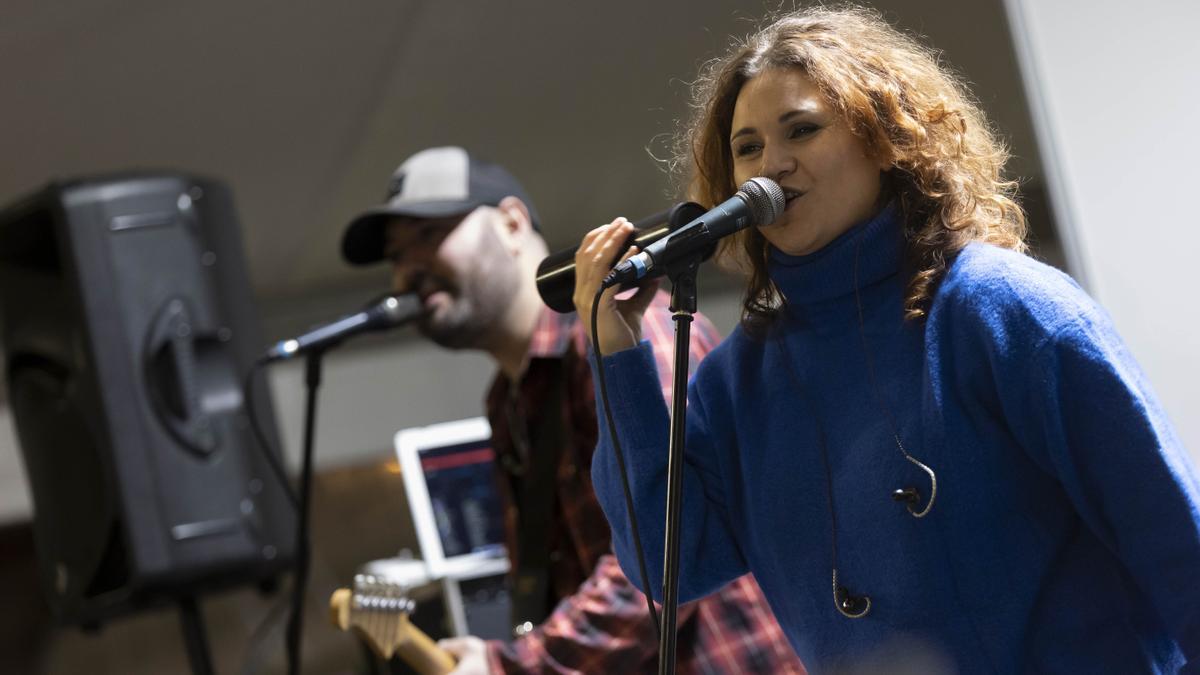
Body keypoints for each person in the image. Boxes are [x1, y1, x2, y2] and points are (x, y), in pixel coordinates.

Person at [573, 6, 1200, 674]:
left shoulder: (1004, 309)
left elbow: (1176, 547)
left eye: (802, 130)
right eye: (748, 147)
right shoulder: (737, 382)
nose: (769, 168)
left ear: (882, 138)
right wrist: (617, 353)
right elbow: (671, 567)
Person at [340, 146, 805, 673]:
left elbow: (672, 551)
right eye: (397, 256)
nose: (410, 270)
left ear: (512, 224)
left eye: (429, 235)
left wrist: (516, 665)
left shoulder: (631, 329)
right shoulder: (508, 401)